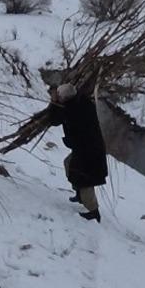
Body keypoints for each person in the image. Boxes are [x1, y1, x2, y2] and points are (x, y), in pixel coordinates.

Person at [44, 82, 107, 223]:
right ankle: (79, 194)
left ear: (65, 98)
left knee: (84, 178)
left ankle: (93, 212)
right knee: (69, 164)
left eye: (60, 96)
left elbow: (54, 120)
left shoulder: (72, 109)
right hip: (88, 148)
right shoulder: (81, 101)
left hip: (88, 151)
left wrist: (53, 102)